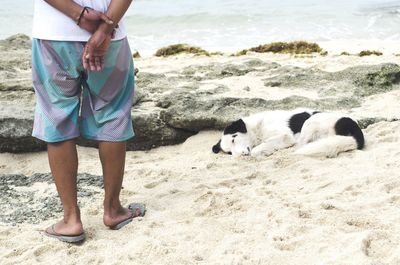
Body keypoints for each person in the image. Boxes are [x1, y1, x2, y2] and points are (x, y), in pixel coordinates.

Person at [32, 0, 145, 243]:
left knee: (57, 118)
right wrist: (104, 29)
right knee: (112, 114)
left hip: (54, 33)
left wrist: (80, 15)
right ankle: (113, 210)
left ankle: (71, 219)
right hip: (111, 35)